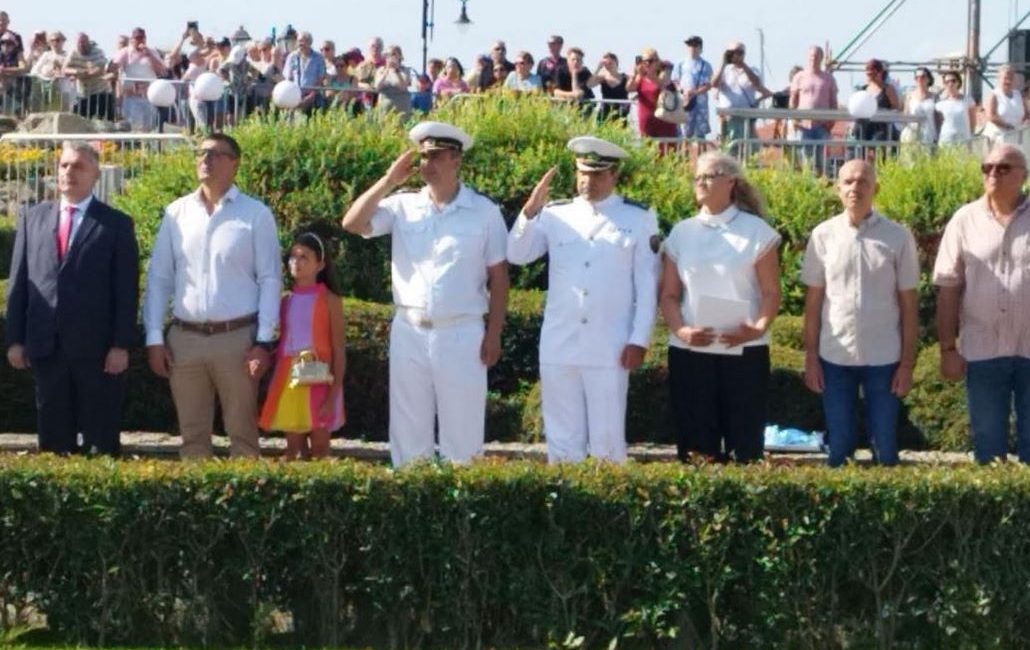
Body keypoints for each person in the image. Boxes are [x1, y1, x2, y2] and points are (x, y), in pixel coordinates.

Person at [341, 121, 509, 466]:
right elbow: (352, 223)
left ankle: (462, 498)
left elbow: (499, 277)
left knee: (462, 435)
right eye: (423, 157)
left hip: (461, 331)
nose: (426, 164)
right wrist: (388, 181)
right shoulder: (403, 205)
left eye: (435, 156)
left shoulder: (484, 211)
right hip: (410, 329)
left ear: (456, 159)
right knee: (408, 433)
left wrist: (494, 333)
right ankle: (410, 494)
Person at [507, 137, 659, 462]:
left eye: (597, 174)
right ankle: (565, 494)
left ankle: (607, 495)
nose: (588, 181)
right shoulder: (555, 213)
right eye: (582, 173)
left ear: (614, 175)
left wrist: (639, 339)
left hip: (609, 344)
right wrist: (529, 211)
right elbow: (518, 255)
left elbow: (647, 284)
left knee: (607, 440)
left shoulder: (637, 217)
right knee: (562, 439)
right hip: (560, 341)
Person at [143, 133, 281, 459]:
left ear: (234, 164)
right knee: (192, 438)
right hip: (185, 339)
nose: (206, 159)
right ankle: (197, 492)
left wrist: (263, 341)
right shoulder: (176, 213)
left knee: (243, 436)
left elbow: (270, 279)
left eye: (216, 154)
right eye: (202, 153)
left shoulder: (255, 214)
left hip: (237, 339)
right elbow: (159, 278)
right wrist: (154, 338)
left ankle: (246, 490)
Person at [5, 141, 139, 455]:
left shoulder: (116, 224)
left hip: (97, 352)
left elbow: (126, 290)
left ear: (95, 175)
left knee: (100, 442)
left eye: (78, 166)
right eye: (64, 165)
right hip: (45, 346)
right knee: (52, 442)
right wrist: (15, 340)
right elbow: (20, 283)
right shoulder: (33, 218)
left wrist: (120, 345)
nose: (69, 172)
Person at [659, 151, 781, 463]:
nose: (701, 182)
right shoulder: (681, 232)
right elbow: (669, 295)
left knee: (745, 444)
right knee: (696, 447)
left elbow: (770, 292)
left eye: (709, 176)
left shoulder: (756, 231)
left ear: (731, 182)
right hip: (690, 349)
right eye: (697, 177)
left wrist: (757, 328)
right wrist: (682, 331)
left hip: (745, 348)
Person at [801, 160, 919, 466]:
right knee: (839, 448)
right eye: (848, 182)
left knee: (886, 448)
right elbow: (813, 303)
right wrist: (810, 358)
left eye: (863, 182)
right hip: (834, 357)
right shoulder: (823, 236)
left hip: (884, 358)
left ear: (875, 188)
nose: (855, 188)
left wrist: (907, 364)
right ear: (838, 189)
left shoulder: (898, 237)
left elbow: (909, 305)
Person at [934, 143, 1030, 464]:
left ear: (1023, 176)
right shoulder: (964, 220)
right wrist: (947, 348)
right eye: (987, 167)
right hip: (982, 352)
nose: (993, 174)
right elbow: (948, 287)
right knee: (988, 449)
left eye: (1003, 168)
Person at [259, 231, 346, 460]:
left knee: (320, 448)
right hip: (290, 378)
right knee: (294, 450)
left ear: (320, 264)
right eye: (293, 257)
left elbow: (338, 349)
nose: (296, 262)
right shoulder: (285, 300)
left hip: (319, 376)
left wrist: (333, 394)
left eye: (304, 257)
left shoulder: (330, 300)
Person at [712, 40, 771, 153]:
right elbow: (714, 84)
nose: (736, 55)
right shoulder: (724, 70)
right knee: (727, 150)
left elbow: (757, 83)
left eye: (739, 52)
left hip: (745, 117)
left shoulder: (752, 70)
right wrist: (723, 63)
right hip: (727, 118)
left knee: (747, 150)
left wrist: (743, 65)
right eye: (732, 52)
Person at [789, 46, 838, 171]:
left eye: (816, 56)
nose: (813, 58)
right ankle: (807, 180)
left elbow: (833, 101)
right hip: (803, 125)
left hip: (822, 125)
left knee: (822, 159)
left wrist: (831, 121)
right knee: (806, 159)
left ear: (821, 58)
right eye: (811, 56)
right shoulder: (799, 76)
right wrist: (794, 119)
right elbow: (793, 100)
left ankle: (822, 179)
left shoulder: (829, 78)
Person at [110, 27, 167, 131]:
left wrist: (149, 55)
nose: (139, 40)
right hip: (132, 96)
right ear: (132, 39)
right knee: (134, 126)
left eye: (142, 38)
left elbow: (161, 70)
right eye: (137, 38)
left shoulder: (152, 52)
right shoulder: (125, 52)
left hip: (149, 97)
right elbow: (114, 66)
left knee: (149, 127)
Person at [627, 47, 678, 140]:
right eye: (644, 61)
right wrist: (634, 73)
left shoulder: (665, 70)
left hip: (664, 119)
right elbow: (629, 88)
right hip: (647, 120)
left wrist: (650, 74)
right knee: (647, 145)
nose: (647, 64)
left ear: (657, 61)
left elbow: (662, 84)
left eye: (650, 61)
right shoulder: (640, 76)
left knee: (666, 146)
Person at [64, 33, 113, 120]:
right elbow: (64, 69)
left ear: (88, 42)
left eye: (83, 42)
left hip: (101, 91)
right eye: (79, 43)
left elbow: (101, 68)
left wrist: (89, 73)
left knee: (105, 120)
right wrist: (78, 71)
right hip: (83, 93)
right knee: (78, 119)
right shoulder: (73, 53)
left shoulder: (98, 52)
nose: (81, 45)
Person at [671, 36, 713, 139]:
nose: (692, 48)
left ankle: (701, 149)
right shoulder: (680, 63)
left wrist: (695, 92)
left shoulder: (706, 65)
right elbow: (675, 80)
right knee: (684, 133)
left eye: (695, 45)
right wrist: (682, 91)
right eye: (689, 45)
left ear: (700, 48)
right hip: (684, 101)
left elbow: (709, 84)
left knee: (700, 134)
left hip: (700, 103)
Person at [853, 59, 900, 143]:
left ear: (880, 72)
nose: (870, 77)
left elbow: (895, 108)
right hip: (866, 128)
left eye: (873, 74)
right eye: (868, 74)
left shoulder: (888, 89)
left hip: (882, 129)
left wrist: (883, 112)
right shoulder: (863, 89)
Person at [983, 64, 1028, 145]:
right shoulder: (993, 95)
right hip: (997, 138)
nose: (1008, 81)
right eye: (1005, 78)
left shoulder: (1018, 95)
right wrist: (1008, 126)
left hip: (1015, 137)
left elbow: (1026, 115)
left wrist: (1024, 125)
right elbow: (991, 116)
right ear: (999, 78)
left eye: (1011, 78)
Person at [283, 31, 326, 112]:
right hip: (294, 95)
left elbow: (321, 77)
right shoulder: (292, 57)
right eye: (299, 41)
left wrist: (311, 95)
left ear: (310, 42)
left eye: (303, 41)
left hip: (313, 96)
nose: (300, 43)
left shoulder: (318, 58)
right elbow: (288, 78)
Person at [935, 70, 977, 146]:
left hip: (963, 140)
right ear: (944, 85)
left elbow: (973, 120)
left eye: (953, 81)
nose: (950, 84)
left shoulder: (968, 100)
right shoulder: (939, 104)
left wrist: (971, 134)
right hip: (946, 140)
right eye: (947, 82)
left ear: (958, 82)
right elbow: (938, 124)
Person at [900, 67, 937, 146]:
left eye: (923, 77)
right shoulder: (909, 96)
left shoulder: (935, 97)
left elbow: (937, 118)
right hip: (911, 134)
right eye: (917, 77)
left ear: (929, 79)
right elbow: (905, 115)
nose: (919, 79)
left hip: (929, 134)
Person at [373, 45, 412, 116]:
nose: (391, 57)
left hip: (401, 106)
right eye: (388, 54)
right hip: (384, 106)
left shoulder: (405, 70)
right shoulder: (381, 70)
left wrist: (396, 71)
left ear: (399, 56)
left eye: (393, 54)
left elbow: (403, 87)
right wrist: (386, 70)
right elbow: (377, 86)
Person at [588, 52, 628, 121]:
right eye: (606, 64)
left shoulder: (625, 77)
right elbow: (589, 85)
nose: (609, 66)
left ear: (616, 62)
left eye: (610, 63)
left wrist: (631, 100)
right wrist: (598, 68)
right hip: (604, 112)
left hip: (621, 112)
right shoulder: (602, 78)